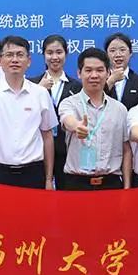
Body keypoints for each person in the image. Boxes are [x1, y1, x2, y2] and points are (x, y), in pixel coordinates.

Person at [0, 36, 57, 189]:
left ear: (29, 61)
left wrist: (48, 179)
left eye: (20, 55)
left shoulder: (40, 93)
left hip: (33, 173)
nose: (14, 60)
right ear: (0, 61)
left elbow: (47, 136)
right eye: (9, 55)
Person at [58, 47, 132, 190]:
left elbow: (126, 149)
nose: (94, 75)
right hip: (76, 184)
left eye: (99, 70)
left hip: (111, 184)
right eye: (88, 70)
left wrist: (127, 186)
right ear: (79, 73)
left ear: (108, 73)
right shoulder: (69, 103)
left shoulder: (120, 109)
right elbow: (68, 119)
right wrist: (77, 126)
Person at [29, 34, 82, 189]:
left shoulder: (77, 86)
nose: (54, 57)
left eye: (59, 52)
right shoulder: (32, 84)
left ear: (66, 54)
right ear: (43, 55)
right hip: (39, 149)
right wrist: (39, 90)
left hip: (68, 151)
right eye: (50, 53)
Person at [104, 32, 138, 109]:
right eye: (112, 51)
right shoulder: (100, 80)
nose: (118, 54)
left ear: (130, 53)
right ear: (106, 54)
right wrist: (110, 82)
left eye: (122, 50)